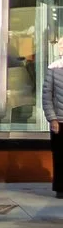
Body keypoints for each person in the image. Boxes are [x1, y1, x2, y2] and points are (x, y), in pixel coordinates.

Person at [43, 33, 63, 198]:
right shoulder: (53, 69)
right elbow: (46, 96)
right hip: (60, 122)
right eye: (60, 46)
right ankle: (60, 188)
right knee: (59, 156)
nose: (62, 48)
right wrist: (53, 119)